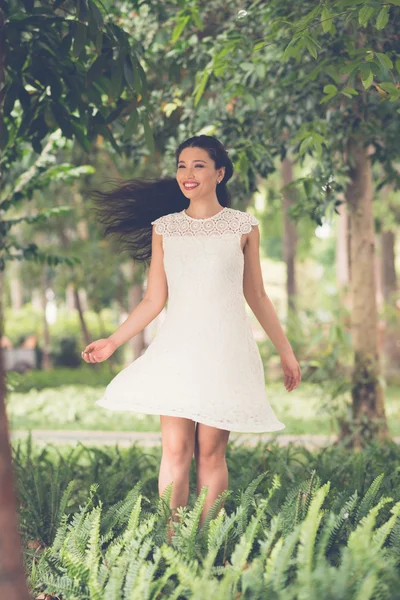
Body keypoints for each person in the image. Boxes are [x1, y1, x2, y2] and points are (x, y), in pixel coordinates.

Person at [81, 135, 301, 541]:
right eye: (182, 165)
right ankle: (173, 544)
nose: (188, 174)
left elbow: (257, 295)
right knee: (176, 451)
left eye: (198, 165)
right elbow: (153, 299)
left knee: (211, 454)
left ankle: (207, 546)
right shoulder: (165, 228)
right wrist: (113, 341)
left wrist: (286, 353)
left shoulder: (243, 225)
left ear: (219, 173)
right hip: (177, 352)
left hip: (226, 352)